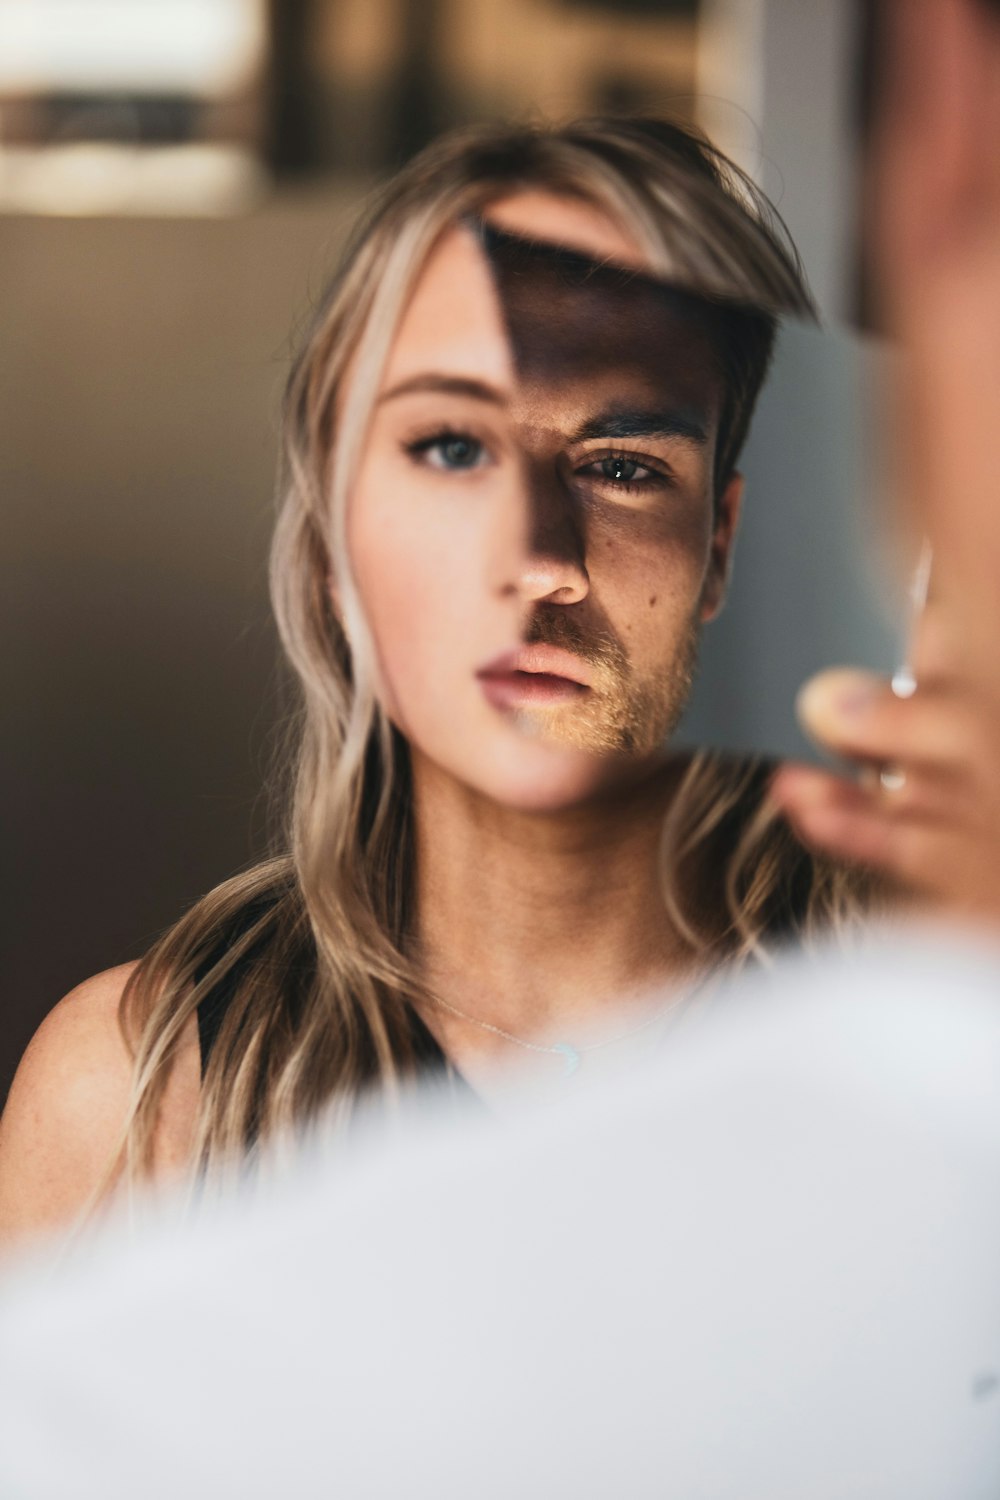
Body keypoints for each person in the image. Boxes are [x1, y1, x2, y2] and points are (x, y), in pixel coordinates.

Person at [0, 115, 868, 1245]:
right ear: (329, 541)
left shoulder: (924, 1051)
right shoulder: (137, 1092)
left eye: (620, 465)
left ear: (722, 545)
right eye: (453, 448)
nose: (537, 559)